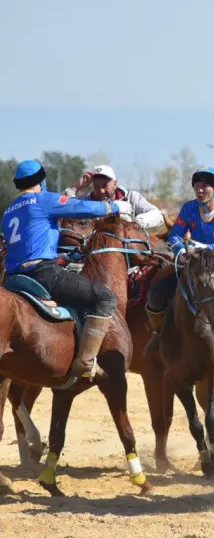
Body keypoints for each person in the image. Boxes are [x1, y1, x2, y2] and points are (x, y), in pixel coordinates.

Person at [2, 160, 121, 378]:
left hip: (13, 278)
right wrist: (113, 206)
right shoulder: (44, 200)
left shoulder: (9, 211)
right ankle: (85, 363)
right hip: (43, 274)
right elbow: (83, 208)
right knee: (105, 298)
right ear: (40, 179)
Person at [144, 167, 214, 354]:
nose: (200, 190)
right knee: (156, 294)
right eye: (197, 186)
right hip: (192, 268)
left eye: (205, 187)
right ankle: (157, 334)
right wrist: (182, 250)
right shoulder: (189, 209)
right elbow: (174, 237)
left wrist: (201, 249)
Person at [66, 165, 165, 230]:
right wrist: (75, 188)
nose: (101, 191)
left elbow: (157, 215)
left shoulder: (131, 198)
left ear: (115, 184)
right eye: (96, 186)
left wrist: (136, 224)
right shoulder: (85, 202)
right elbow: (63, 210)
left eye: (105, 186)